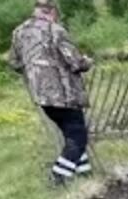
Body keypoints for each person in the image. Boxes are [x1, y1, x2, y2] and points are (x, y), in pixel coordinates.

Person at [9, 0, 94, 186]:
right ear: (52, 11)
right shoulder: (55, 30)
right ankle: (58, 177)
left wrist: (34, 72)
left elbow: (14, 63)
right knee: (79, 136)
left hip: (40, 95)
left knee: (70, 134)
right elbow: (75, 62)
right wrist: (87, 61)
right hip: (64, 94)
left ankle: (85, 173)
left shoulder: (18, 32)